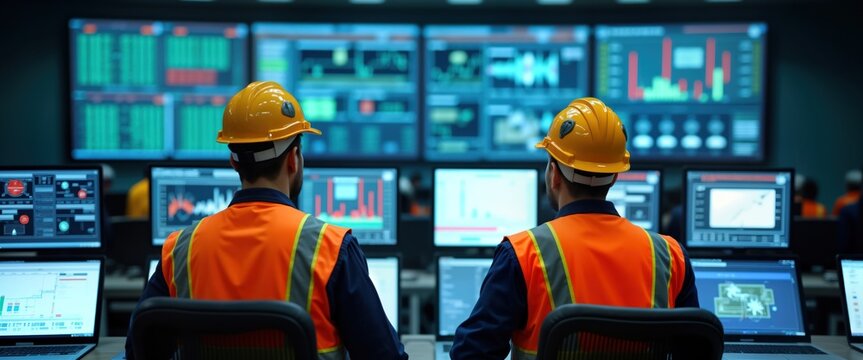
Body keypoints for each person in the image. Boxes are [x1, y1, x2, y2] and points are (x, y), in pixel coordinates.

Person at [126, 81, 407, 359]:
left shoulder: (179, 250)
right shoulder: (331, 249)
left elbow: (138, 351)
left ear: (234, 162)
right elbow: (384, 356)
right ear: (293, 159)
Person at [449, 98, 699, 360]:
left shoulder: (523, 255)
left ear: (554, 174)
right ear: (615, 176)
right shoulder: (671, 256)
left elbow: (471, 354)